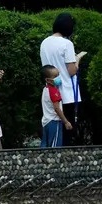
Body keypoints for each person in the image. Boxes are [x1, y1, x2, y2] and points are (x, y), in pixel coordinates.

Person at [38, 13, 87, 146]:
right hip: (66, 92)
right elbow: (71, 71)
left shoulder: (44, 43)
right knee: (67, 128)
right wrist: (77, 60)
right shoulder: (67, 44)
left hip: (50, 91)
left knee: (52, 127)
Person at [41, 66, 71, 148]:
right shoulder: (53, 91)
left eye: (58, 75)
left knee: (45, 145)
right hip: (54, 121)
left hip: (46, 121)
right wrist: (66, 122)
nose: (58, 78)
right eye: (55, 76)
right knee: (54, 147)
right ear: (47, 80)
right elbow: (57, 108)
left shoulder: (45, 89)